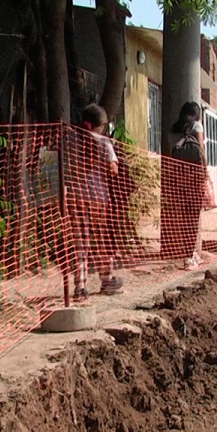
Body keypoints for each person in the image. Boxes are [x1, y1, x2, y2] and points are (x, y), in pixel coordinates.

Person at [69, 104, 124, 300]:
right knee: (102, 240)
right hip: (98, 198)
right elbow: (113, 169)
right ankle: (106, 279)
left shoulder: (70, 139)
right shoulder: (103, 142)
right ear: (99, 125)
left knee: (80, 243)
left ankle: (80, 286)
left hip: (75, 196)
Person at [169, 101, 207, 270]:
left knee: (184, 216)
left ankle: (189, 254)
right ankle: (190, 256)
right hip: (194, 178)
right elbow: (201, 151)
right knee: (193, 218)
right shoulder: (197, 126)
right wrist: (205, 172)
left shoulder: (174, 130)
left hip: (179, 178)